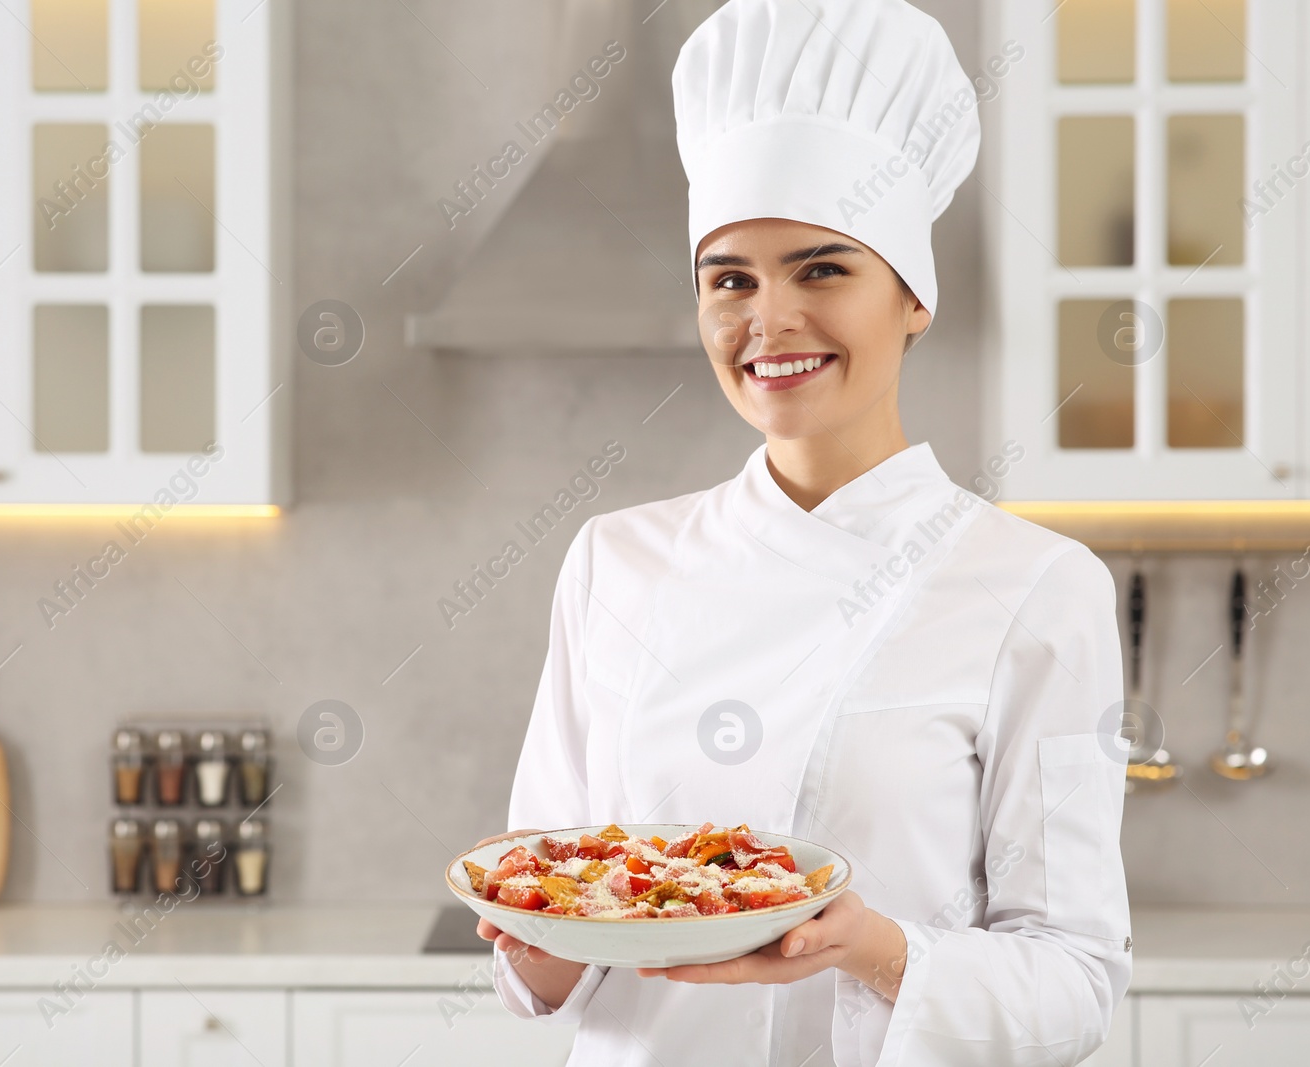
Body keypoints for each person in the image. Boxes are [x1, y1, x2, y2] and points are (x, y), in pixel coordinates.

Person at [473, 1, 1132, 1064]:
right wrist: (534, 938)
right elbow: (547, 920)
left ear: (912, 296)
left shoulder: (1036, 586)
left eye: (821, 269)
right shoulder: (614, 561)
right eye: (729, 279)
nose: (767, 321)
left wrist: (868, 946)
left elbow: (1073, 980)